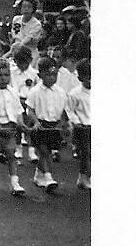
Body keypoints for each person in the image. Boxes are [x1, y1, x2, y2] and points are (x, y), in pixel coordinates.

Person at [0, 58, 26, 195]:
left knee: (11, 155)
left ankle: (15, 182)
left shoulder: (13, 92)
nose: (3, 78)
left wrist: (21, 124)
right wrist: (1, 130)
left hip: (10, 127)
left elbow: (18, 110)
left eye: (6, 75)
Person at [25, 56, 68, 191]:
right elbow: (29, 109)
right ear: (40, 75)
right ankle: (48, 177)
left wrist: (62, 123)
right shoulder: (35, 91)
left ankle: (38, 175)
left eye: (54, 74)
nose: (51, 78)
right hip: (40, 125)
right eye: (48, 74)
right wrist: (36, 122)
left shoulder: (60, 92)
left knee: (47, 151)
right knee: (43, 151)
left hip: (53, 126)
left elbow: (63, 111)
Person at [9, 44, 39, 161]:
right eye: (18, 62)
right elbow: (10, 87)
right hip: (16, 101)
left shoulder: (34, 74)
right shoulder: (12, 72)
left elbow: (36, 88)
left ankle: (32, 151)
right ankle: (18, 148)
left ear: (30, 60)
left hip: (30, 102)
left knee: (30, 126)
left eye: (24, 62)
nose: (21, 65)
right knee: (18, 125)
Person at [66, 58, 91, 189]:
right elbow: (69, 110)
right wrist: (76, 122)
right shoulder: (75, 94)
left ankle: (87, 176)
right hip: (83, 127)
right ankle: (84, 177)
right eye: (88, 78)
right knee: (86, 153)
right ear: (81, 78)